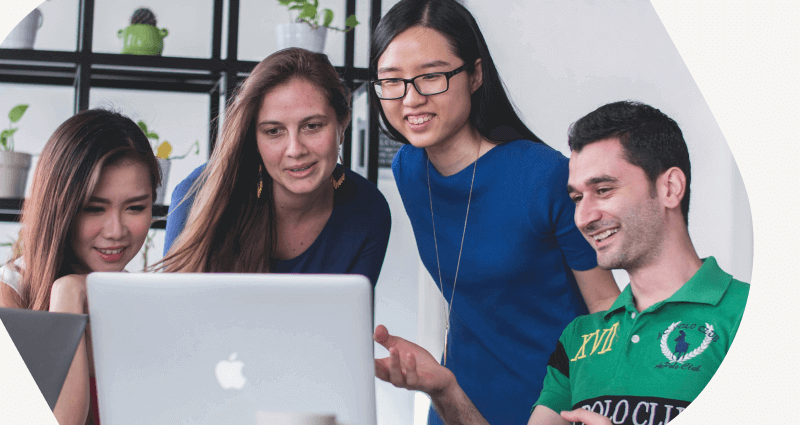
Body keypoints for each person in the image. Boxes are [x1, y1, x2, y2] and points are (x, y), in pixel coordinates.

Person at [373, 101, 749, 425]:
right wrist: (446, 390)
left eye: (603, 190)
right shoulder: (578, 339)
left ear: (669, 188)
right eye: (576, 197)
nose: (584, 216)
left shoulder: (746, 314)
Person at [369, 1, 620, 423]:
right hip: (456, 403)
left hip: (553, 406)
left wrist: (601, 406)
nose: (410, 99)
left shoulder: (543, 175)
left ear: (476, 74)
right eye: (392, 81)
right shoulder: (409, 169)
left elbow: (607, 308)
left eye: (431, 76)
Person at [160, 48, 391, 283]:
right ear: (254, 139)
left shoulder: (369, 210)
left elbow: (351, 317)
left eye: (312, 126)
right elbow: (173, 312)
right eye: (274, 131)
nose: (295, 149)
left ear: (342, 125)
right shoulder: (197, 195)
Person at [0, 109, 162, 425]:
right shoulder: (9, 296)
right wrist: (67, 293)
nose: (116, 230)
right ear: (59, 208)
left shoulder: (140, 300)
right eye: (93, 208)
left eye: (135, 207)